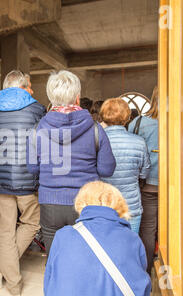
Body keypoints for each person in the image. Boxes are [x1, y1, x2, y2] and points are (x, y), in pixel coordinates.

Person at [26, 70, 116, 254]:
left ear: (51, 97)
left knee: (55, 257)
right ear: (77, 97)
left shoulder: (36, 130)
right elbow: (106, 170)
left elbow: (32, 168)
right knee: (84, 255)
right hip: (85, 202)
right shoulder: (96, 129)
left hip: (50, 202)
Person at [0, 70, 46, 296]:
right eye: (30, 86)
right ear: (22, 86)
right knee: (32, 222)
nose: (32, 90)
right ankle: (4, 269)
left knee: (5, 231)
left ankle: (12, 282)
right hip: (27, 179)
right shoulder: (37, 109)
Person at [44, 181, 152, 296]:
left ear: (80, 203)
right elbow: (142, 287)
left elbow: (49, 283)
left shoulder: (63, 235)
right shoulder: (132, 239)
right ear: (119, 205)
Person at [100, 98, 151, 233]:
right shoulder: (139, 142)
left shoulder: (96, 142)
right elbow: (144, 173)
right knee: (130, 247)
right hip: (130, 206)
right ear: (127, 117)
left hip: (104, 206)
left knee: (105, 250)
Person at [128, 86, 159, 274]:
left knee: (147, 230)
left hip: (148, 185)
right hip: (178, 187)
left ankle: (146, 272)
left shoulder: (138, 123)